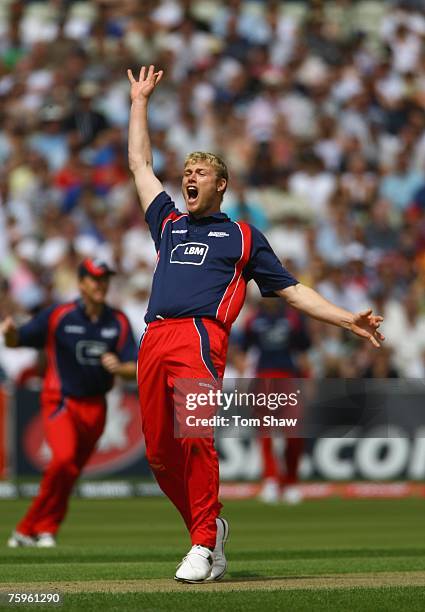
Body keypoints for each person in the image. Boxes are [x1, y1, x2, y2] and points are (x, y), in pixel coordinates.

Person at [127, 65, 384, 583]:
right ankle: (209, 529)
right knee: (158, 455)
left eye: (200, 173)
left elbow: (290, 290)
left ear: (221, 184)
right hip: (153, 337)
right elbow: (139, 163)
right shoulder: (170, 224)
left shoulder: (242, 237)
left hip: (199, 338)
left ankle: (201, 543)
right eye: (187, 172)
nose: (189, 178)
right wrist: (140, 101)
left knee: (196, 435)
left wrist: (344, 318)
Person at [1, 258, 137, 548]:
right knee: (62, 461)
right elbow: (18, 340)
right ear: (81, 283)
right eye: (95, 279)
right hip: (61, 401)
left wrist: (120, 368)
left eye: (104, 280)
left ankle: (47, 528)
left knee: (70, 471)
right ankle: (25, 529)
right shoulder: (60, 315)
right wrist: (10, 333)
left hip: (97, 407)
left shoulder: (119, 321)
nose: (101, 285)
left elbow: (136, 366)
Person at [241, 298, 310, 505]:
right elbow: (244, 350)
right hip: (263, 376)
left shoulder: (293, 317)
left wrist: (307, 379)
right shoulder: (253, 320)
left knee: (294, 432)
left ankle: (290, 482)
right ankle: (271, 479)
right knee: (265, 431)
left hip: (288, 376)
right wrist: (244, 378)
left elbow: (304, 349)